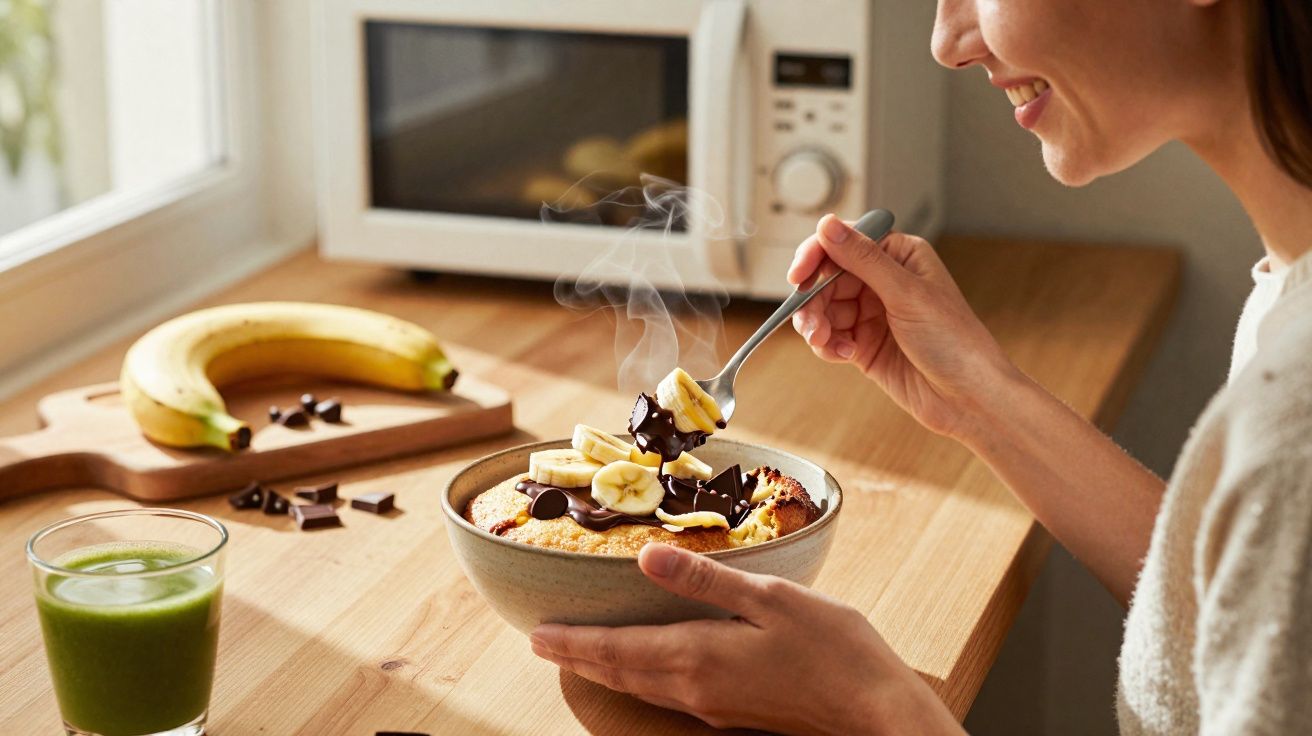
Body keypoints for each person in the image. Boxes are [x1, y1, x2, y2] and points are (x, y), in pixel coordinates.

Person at [530, 0, 1312, 732]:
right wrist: (979, 398)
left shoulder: (1295, 424)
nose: (948, 42)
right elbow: (1237, 596)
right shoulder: (1289, 298)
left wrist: (877, 706)